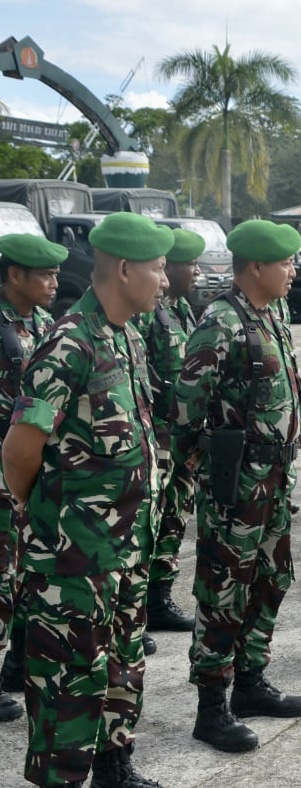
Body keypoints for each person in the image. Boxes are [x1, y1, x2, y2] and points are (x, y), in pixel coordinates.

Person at [3, 212, 170, 787]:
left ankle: (114, 769)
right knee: (68, 685)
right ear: (124, 270)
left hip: (124, 551)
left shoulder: (126, 337)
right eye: (157, 267)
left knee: (121, 665)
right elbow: (21, 451)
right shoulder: (68, 343)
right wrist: (49, 526)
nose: (165, 278)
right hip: (72, 560)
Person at [172, 219, 301, 753]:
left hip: (274, 481)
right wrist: (201, 464)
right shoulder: (221, 321)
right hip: (237, 484)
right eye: (285, 263)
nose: (293, 271)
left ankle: (251, 683)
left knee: (270, 580)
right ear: (255, 266)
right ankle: (212, 707)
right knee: (223, 589)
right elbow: (185, 405)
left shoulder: (270, 315)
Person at [0, 234, 62, 726]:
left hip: (33, 469)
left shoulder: (43, 325)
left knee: (24, 574)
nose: (53, 282)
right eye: (43, 274)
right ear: (14, 276)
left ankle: (15, 662)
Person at [132, 228, 203, 635]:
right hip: (159, 437)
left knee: (174, 519)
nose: (194, 272)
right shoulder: (146, 314)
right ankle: (140, 609)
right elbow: (143, 375)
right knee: (151, 523)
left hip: (179, 438)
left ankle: (158, 600)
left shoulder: (179, 310)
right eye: (187, 265)